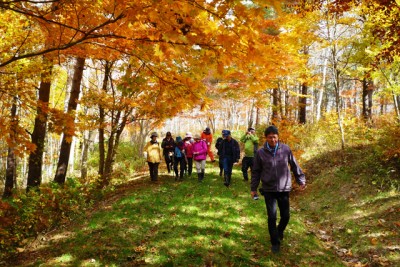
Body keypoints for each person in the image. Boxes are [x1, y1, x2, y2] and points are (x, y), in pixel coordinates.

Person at [251, 125, 306, 254]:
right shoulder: (260, 152)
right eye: (270, 138)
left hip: (284, 188)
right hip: (269, 189)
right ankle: (275, 242)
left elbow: (294, 164)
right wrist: (253, 188)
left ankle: (279, 230)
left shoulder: (285, 149)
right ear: (266, 138)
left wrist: (300, 179)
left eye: (275, 137)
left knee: (286, 216)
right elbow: (256, 171)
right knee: (272, 216)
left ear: (278, 137)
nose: (273, 140)